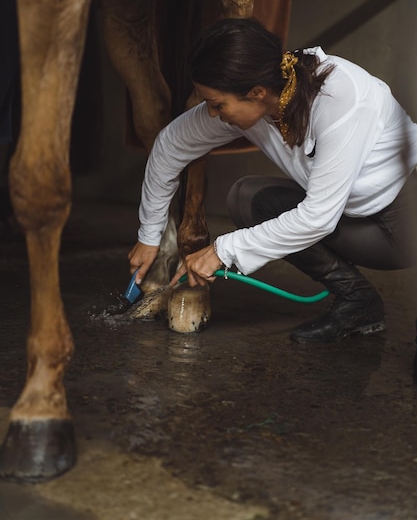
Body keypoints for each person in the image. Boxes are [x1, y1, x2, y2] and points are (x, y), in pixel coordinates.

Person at [128, 17, 417, 344]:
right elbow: (171, 145)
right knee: (247, 197)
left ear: (256, 92)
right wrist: (149, 235)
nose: (211, 114)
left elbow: (318, 218)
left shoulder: (341, 97)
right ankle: (359, 302)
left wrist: (223, 250)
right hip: (348, 218)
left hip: (403, 227)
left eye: (217, 104)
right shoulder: (259, 94)